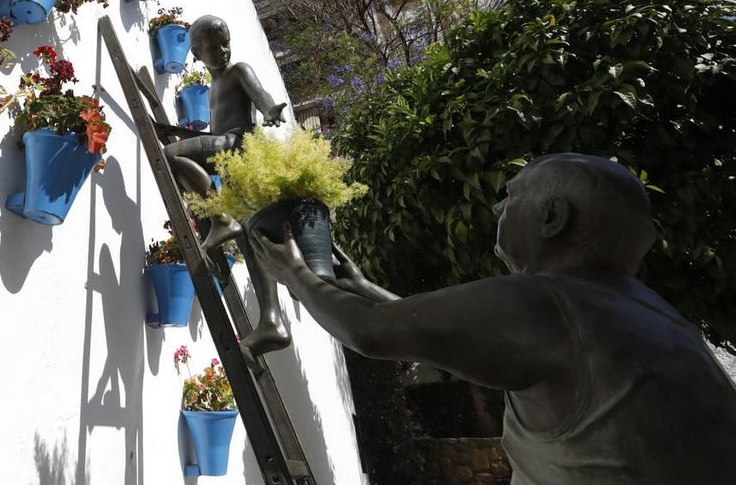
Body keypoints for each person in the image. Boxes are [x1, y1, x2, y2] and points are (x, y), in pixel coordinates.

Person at [250, 152, 736, 484]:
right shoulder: (655, 316)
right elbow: (457, 337)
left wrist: (294, 273)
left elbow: (371, 333)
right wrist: (364, 289)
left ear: (553, 218)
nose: (499, 206)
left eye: (511, 194)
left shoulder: (547, 302)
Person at [164, 14, 291, 358]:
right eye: (213, 46)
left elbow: (260, 93)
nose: (223, 51)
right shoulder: (211, 88)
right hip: (230, 156)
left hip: (235, 144)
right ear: (196, 51)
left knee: (170, 155)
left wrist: (269, 109)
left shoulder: (238, 71)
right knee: (251, 235)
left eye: (226, 42)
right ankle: (272, 322)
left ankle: (220, 221)